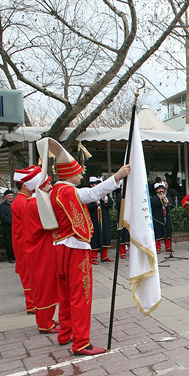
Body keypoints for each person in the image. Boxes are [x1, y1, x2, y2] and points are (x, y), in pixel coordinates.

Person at [38, 137, 131, 356]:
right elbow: (91, 194)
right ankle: (81, 342)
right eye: (79, 172)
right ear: (70, 173)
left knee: (66, 295)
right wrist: (116, 178)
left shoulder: (55, 191)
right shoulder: (68, 191)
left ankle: (66, 333)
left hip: (59, 246)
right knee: (81, 296)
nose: (81, 175)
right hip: (74, 249)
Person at [23, 175, 60, 334]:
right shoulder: (36, 203)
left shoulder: (34, 202)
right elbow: (51, 224)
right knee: (45, 286)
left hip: (40, 249)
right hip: (41, 250)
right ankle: (45, 323)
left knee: (47, 284)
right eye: (48, 184)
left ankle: (47, 319)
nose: (50, 186)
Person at [12, 166, 39, 314]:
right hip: (24, 243)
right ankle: (31, 303)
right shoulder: (23, 202)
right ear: (24, 185)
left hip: (24, 241)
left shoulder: (23, 199)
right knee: (28, 272)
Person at [87, 177, 114, 264]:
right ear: (92, 185)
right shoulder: (88, 194)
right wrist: (96, 202)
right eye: (96, 184)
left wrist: (105, 199)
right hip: (94, 219)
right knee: (95, 237)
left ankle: (104, 256)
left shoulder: (103, 193)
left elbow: (110, 204)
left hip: (104, 218)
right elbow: (88, 206)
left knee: (105, 235)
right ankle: (93, 257)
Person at [151, 182, 174, 253]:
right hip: (158, 218)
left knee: (167, 232)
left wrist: (166, 202)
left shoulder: (167, 197)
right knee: (158, 233)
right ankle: (158, 248)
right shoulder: (154, 198)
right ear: (156, 190)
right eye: (159, 189)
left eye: (162, 189)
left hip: (166, 217)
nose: (161, 190)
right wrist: (160, 199)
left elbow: (171, 205)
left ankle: (168, 247)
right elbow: (153, 204)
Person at [0, 189, 15, 263]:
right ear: (5, 197)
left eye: (12, 196)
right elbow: (3, 217)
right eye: (8, 196)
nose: (10, 197)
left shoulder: (15, 204)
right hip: (8, 228)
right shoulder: (2, 206)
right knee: (9, 243)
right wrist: (15, 221)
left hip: (17, 227)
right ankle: (11, 258)